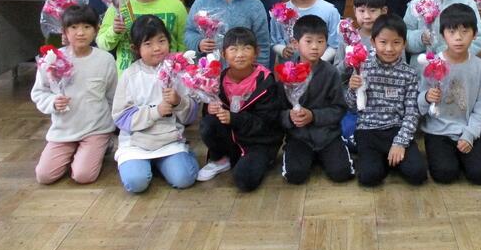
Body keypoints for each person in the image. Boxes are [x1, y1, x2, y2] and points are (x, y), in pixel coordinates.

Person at [111, 15, 199, 193]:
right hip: (136, 144)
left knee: (184, 178)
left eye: (161, 41)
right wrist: (155, 112)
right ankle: (144, 166)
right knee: (136, 183)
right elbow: (121, 117)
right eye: (148, 44)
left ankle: (168, 163)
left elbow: (191, 116)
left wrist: (179, 102)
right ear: (135, 48)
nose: (157, 48)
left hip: (169, 142)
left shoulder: (178, 72)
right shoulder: (130, 75)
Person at [31, 5, 117, 185]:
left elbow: (112, 96)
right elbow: (39, 92)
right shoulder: (52, 59)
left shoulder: (105, 60)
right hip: (64, 129)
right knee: (44, 176)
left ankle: (101, 146)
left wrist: (111, 126)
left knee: (83, 176)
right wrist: (53, 102)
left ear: (96, 29)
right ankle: (75, 153)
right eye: (74, 27)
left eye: (87, 27)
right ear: (64, 31)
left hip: (96, 129)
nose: (80, 33)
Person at [196, 27, 284, 191]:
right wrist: (210, 109)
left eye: (246, 48)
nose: (240, 54)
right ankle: (221, 158)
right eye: (233, 49)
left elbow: (268, 124)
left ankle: (261, 159)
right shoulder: (218, 80)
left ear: (256, 52)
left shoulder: (266, 82)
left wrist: (234, 118)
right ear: (223, 54)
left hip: (259, 142)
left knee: (245, 181)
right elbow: (208, 117)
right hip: (231, 139)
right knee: (208, 123)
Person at [346, 14, 427, 186]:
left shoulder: (409, 74)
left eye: (396, 42)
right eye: (383, 42)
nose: (389, 48)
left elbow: (412, 113)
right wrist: (352, 89)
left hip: (396, 129)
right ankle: (383, 161)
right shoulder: (362, 67)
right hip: (368, 130)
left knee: (418, 174)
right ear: (373, 42)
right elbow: (351, 106)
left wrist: (400, 143)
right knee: (369, 177)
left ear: (404, 44)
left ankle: (390, 157)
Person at [418, 4, 481, 185]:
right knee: (445, 174)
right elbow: (418, 101)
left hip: (467, 128)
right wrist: (427, 97)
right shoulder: (432, 64)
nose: (458, 38)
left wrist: (469, 135)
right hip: (438, 130)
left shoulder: (480, 67)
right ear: (443, 35)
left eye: (465, 31)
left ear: (474, 34)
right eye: (452, 32)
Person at [279, 15, 354, 184]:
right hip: (299, 137)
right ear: (296, 43)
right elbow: (277, 111)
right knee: (295, 175)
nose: (315, 47)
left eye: (320, 41)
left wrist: (313, 116)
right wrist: (290, 116)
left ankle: (324, 156)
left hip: (328, 136)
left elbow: (339, 109)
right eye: (308, 41)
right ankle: (308, 158)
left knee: (341, 173)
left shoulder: (331, 72)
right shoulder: (286, 72)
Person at [333, 0, 388, 151]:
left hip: (382, 106)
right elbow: (335, 75)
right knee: (349, 138)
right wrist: (347, 62)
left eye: (373, 11)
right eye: (362, 11)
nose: (367, 16)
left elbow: (400, 71)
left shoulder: (390, 39)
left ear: (384, 11)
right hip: (353, 106)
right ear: (354, 11)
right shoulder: (347, 40)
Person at [270, 0, 340, 63]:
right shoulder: (279, 11)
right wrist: (283, 50)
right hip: (289, 69)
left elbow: (335, 45)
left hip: (319, 69)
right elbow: (274, 41)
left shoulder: (330, 11)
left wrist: (318, 62)